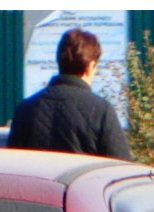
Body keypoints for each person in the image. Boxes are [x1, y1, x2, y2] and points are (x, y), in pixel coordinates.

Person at [8, 27, 132, 160]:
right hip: (84, 180)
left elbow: (13, 164)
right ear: (91, 66)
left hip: (37, 180)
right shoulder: (100, 110)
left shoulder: (25, 109)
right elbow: (120, 166)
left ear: (59, 61)